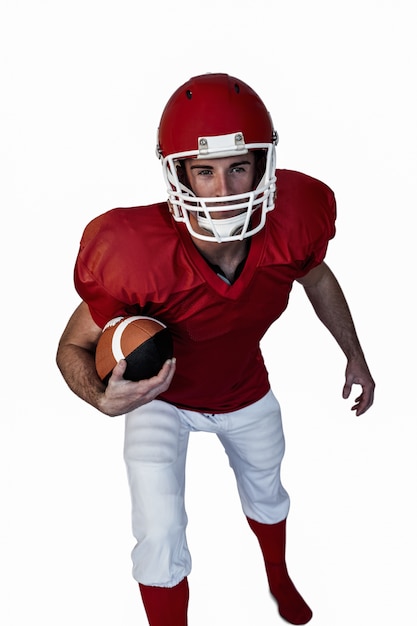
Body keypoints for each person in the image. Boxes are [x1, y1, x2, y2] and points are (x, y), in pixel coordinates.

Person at [56, 73, 375, 625]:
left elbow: (316, 276)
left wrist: (355, 353)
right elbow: (72, 344)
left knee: (269, 493)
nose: (225, 190)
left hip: (242, 388)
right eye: (205, 171)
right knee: (158, 534)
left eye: (238, 167)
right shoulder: (136, 254)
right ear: (179, 173)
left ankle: (277, 576)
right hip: (160, 399)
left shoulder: (294, 221)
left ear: (262, 165)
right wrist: (101, 399)